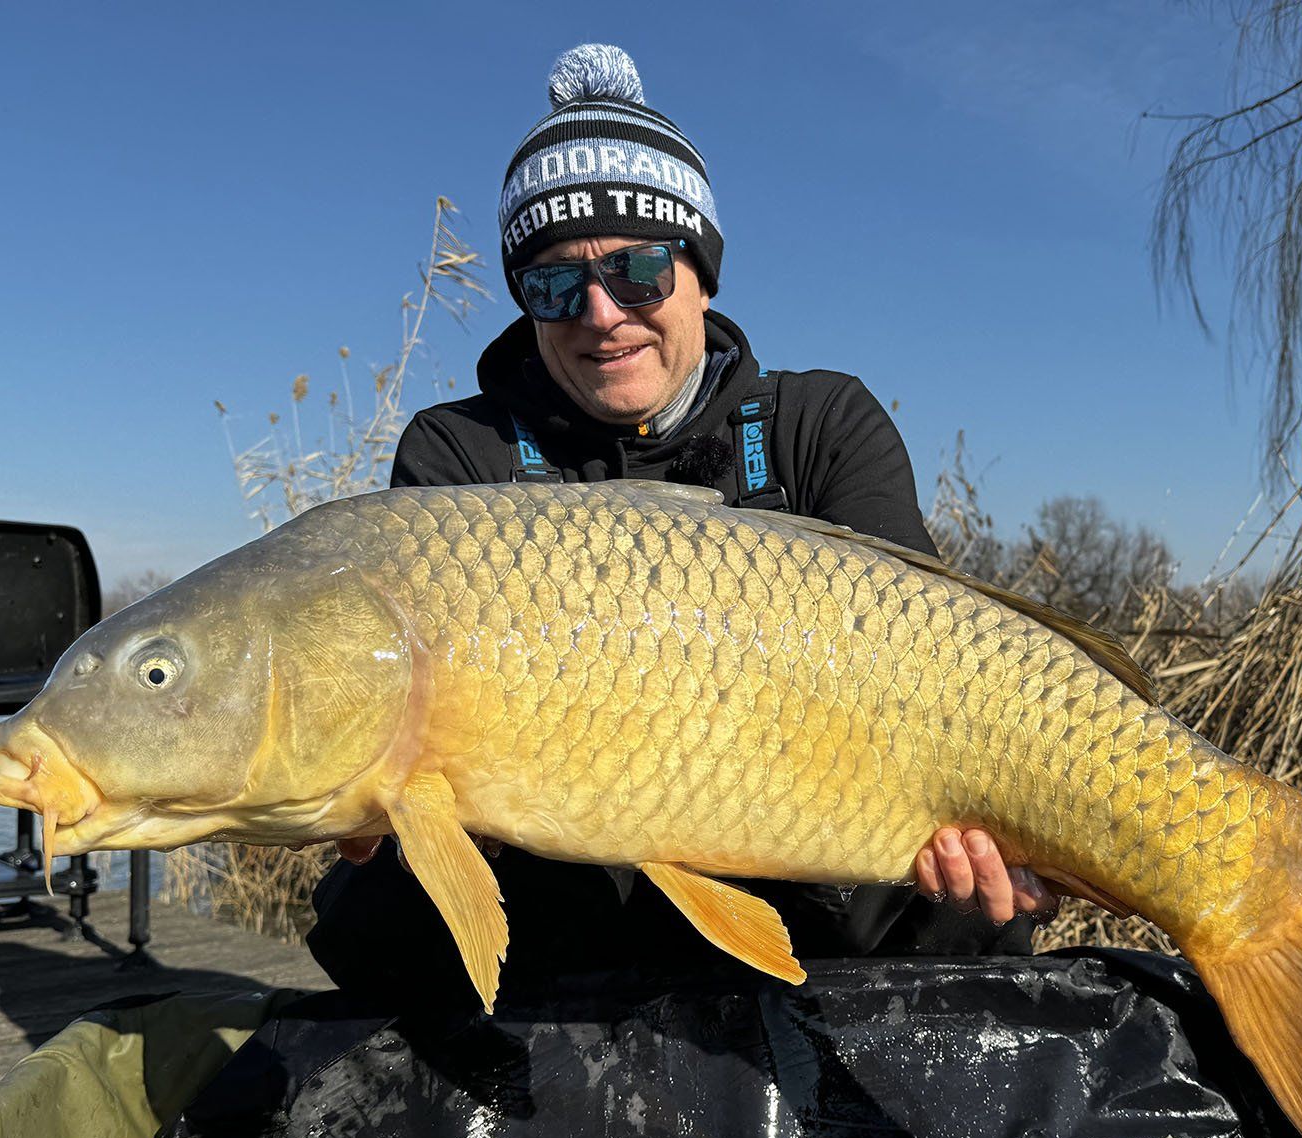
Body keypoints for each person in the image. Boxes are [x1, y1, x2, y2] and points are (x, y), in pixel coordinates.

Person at [306, 45, 1053, 1005]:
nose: (602, 314)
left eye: (639, 271)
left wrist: (996, 847)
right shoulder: (458, 457)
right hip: (572, 939)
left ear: (700, 272)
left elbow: (933, 677)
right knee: (376, 904)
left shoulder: (822, 424)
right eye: (553, 287)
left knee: (960, 890)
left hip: (828, 901)